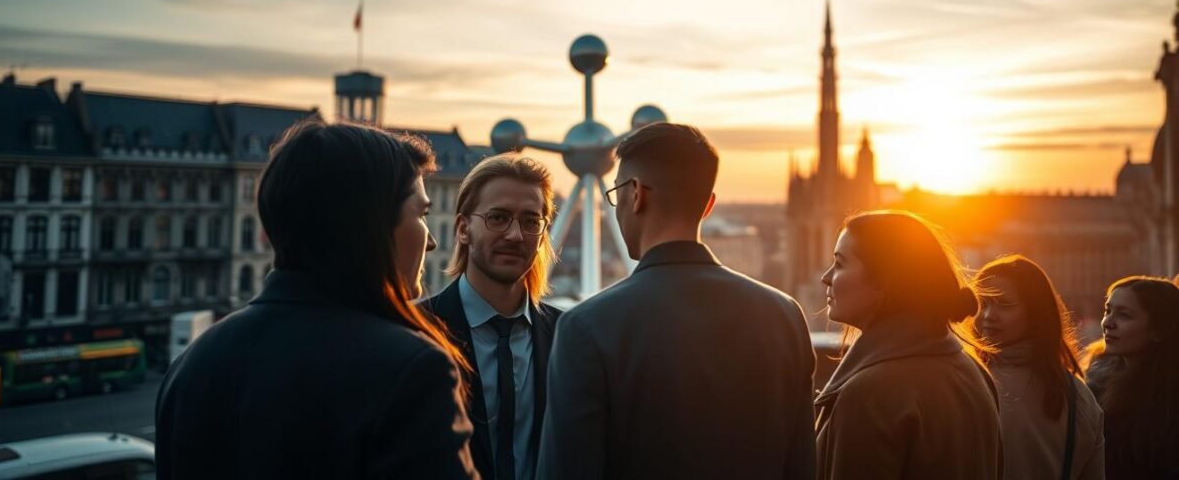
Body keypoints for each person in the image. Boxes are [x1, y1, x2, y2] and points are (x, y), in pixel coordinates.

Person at [156, 119, 477, 479]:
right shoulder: (410, 370)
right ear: (369, 224)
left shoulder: (191, 366)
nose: (431, 241)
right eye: (422, 214)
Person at [535, 122, 816, 479]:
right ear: (708, 205)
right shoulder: (785, 316)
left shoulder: (586, 328)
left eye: (617, 194)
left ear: (636, 194)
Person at [815, 210, 1001, 480]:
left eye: (840, 264)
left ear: (882, 282)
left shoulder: (869, 394)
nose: (826, 277)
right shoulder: (973, 371)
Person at [422, 154, 562, 480]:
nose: (515, 235)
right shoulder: (417, 330)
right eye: (498, 218)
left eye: (530, 222)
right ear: (463, 229)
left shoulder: (567, 337)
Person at [970, 255, 1104, 480]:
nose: (988, 316)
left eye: (1004, 305)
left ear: (1035, 314)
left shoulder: (966, 381)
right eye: (982, 304)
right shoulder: (1078, 394)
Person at [1084, 276, 1179, 480]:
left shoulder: (1169, 400)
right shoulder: (1093, 385)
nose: (1108, 323)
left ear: (1158, 330)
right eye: (1107, 311)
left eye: (1124, 315)